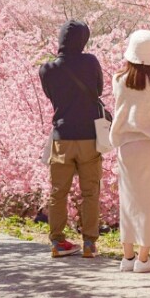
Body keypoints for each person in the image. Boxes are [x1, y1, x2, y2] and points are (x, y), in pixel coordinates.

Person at [39, 19, 105, 258]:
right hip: (88, 136)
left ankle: (57, 242)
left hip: (62, 137)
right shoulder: (90, 62)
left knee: (58, 191)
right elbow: (98, 90)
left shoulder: (47, 69)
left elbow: (51, 97)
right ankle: (89, 243)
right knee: (90, 192)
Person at [109, 29, 150, 274]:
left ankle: (127, 257)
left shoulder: (119, 80)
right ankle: (143, 259)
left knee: (128, 201)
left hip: (126, 148)